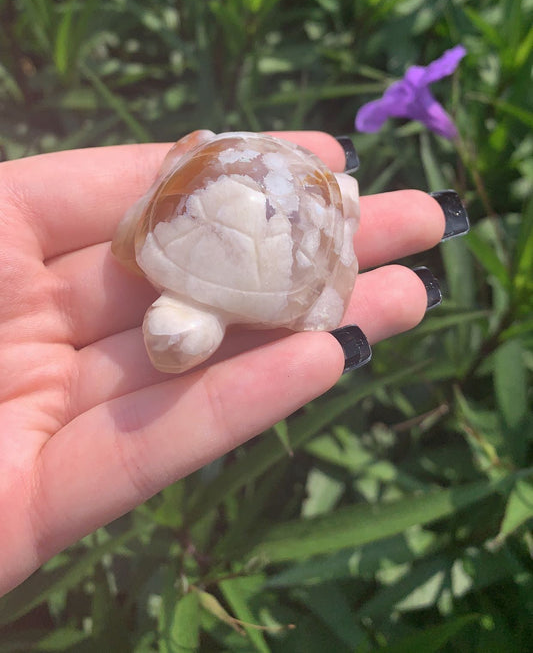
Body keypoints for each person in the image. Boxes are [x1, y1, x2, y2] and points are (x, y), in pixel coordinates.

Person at [0, 132, 468, 597]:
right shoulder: (164, 259)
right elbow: (137, 230)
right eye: (178, 343)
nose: (162, 353)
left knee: (320, 306)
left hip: (257, 192)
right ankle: (334, 194)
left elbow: (139, 225)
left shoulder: (149, 251)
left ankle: (338, 195)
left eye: (166, 339)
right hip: (243, 188)